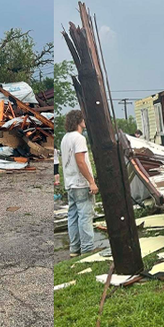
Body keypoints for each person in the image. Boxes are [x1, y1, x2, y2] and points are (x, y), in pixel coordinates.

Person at [60, 109, 104, 255]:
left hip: (70, 182)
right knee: (85, 215)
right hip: (81, 183)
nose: (84, 122)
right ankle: (87, 249)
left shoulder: (65, 138)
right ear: (79, 121)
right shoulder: (79, 138)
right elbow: (80, 161)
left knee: (72, 216)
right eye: (83, 119)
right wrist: (91, 181)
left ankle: (75, 249)